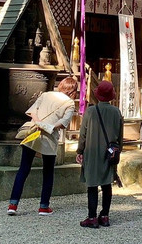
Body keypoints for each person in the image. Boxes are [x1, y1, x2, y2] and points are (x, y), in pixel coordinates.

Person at [7, 76, 77, 216]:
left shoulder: (46, 95)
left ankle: (13, 205)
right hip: (49, 137)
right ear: (73, 91)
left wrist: (39, 123)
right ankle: (43, 206)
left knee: (24, 168)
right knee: (48, 171)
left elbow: (32, 111)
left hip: (33, 132)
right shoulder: (69, 103)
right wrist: (48, 127)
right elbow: (63, 123)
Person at [77, 80, 123, 229]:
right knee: (106, 183)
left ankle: (92, 217)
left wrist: (80, 150)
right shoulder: (116, 112)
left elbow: (83, 133)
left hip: (92, 151)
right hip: (109, 152)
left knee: (92, 184)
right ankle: (104, 215)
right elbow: (120, 135)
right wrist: (118, 152)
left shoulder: (90, 111)